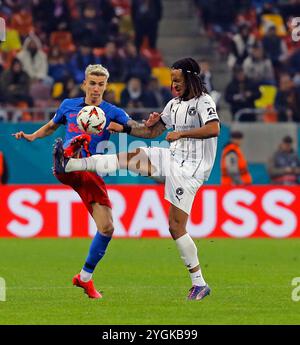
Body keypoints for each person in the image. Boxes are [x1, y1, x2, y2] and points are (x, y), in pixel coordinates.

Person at [54, 57, 220, 301]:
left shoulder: (204, 102)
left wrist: (181, 133)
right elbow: (151, 132)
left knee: (175, 227)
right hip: (172, 158)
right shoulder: (173, 105)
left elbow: (213, 129)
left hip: (191, 170)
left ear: (191, 78)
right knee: (131, 156)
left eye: (178, 80)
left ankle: (199, 283)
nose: (173, 85)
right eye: (171, 80)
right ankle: (71, 164)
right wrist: (126, 128)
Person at [13, 64, 136, 299]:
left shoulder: (112, 111)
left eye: (101, 84)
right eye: (92, 83)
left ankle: (85, 278)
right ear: (84, 85)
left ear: (106, 86)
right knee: (73, 152)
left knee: (107, 228)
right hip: (68, 167)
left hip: (91, 172)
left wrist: (125, 126)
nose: (96, 88)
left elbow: (134, 127)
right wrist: (31, 136)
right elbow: (51, 126)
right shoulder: (68, 106)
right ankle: (69, 151)